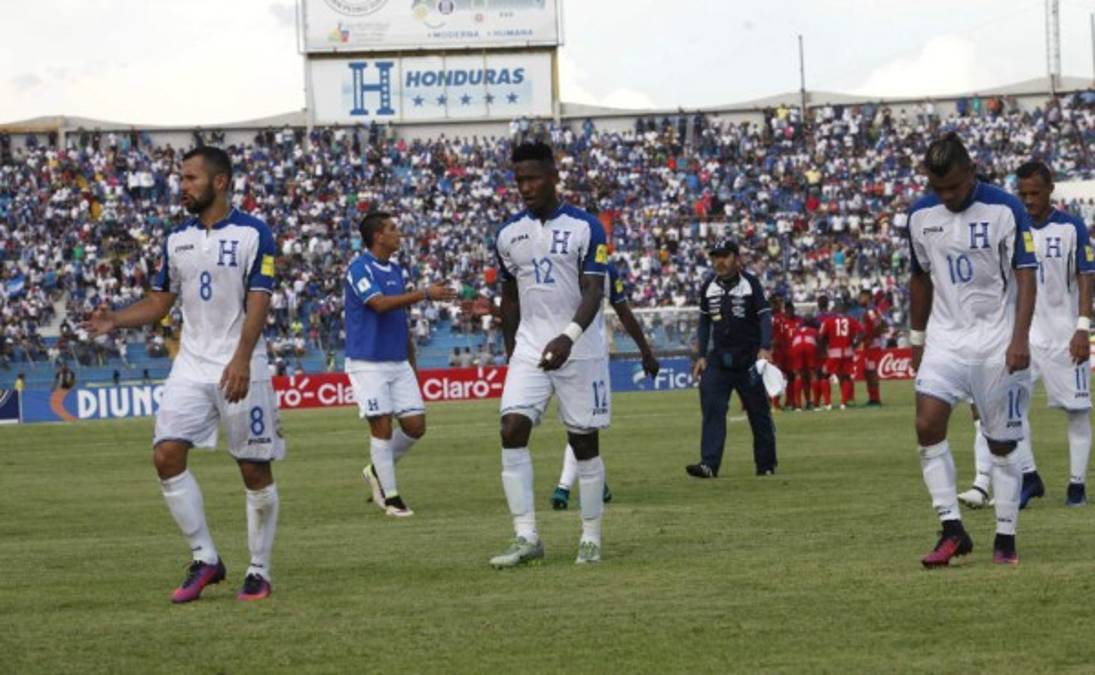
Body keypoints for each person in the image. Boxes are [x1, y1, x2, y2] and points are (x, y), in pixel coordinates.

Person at [83, 146, 283, 602]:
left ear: (220, 182)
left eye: (191, 178)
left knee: (253, 468)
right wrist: (115, 319)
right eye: (182, 177)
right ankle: (206, 557)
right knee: (166, 455)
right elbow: (159, 302)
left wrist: (240, 358)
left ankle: (259, 569)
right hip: (191, 365)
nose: (183, 186)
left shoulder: (255, 233)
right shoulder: (176, 238)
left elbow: (259, 299)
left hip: (241, 363)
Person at [907, 133, 1037, 567]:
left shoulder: (1006, 208)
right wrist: (917, 339)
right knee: (927, 425)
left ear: (972, 173)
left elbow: (1025, 273)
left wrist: (1019, 338)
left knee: (1001, 445)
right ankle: (952, 529)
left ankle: (1006, 538)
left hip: (995, 340)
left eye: (955, 187)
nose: (946, 196)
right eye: (937, 188)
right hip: (946, 338)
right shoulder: (920, 214)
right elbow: (920, 278)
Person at [490, 141, 611, 567]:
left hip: (580, 348)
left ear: (553, 175)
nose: (525, 187)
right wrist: (512, 354)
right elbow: (510, 299)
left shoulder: (586, 227)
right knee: (511, 429)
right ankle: (526, 536)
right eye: (519, 180)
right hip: (529, 348)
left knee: (583, 443)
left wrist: (569, 336)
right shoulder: (507, 234)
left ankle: (591, 537)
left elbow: (595, 289)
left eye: (533, 177)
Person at [958, 160, 1093, 510]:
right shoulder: (1010, 225)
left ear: (1050, 190)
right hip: (1023, 336)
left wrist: (1083, 327)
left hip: (1065, 335)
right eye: (1023, 193)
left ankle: (1076, 485)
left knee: (1077, 412)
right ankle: (1030, 477)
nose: (1029, 200)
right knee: (1009, 407)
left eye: (1035, 193)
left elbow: (1085, 276)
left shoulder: (1072, 227)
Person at [344, 211, 457, 518]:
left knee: (415, 426)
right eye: (393, 229)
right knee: (381, 425)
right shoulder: (358, 268)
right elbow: (378, 305)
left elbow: (399, 317)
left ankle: (376, 470)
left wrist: (411, 358)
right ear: (378, 236)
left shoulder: (395, 269)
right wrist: (424, 293)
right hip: (367, 361)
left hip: (397, 360)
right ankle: (392, 499)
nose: (399, 233)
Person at [550, 262, 660, 510]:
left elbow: (624, 313)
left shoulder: (597, 269)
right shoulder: (566, 264)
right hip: (572, 355)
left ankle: (577, 484)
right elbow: (623, 313)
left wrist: (645, 351)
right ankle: (577, 484)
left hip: (574, 355)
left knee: (581, 426)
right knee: (581, 426)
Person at [687, 238, 777, 478]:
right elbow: (704, 322)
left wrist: (765, 347)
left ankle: (766, 465)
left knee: (759, 413)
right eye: (716, 256)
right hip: (718, 360)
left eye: (725, 256)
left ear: (737, 259)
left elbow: (765, 317)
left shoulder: (751, 284)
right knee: (712, 409)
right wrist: (701, 356)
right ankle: (709, 464)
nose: (720, 261)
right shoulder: (708, 286)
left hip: (748, 358)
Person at [818, 300, 863, 410]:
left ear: (835, 309)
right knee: (846, 376)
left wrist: (823, 349)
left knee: (825, 376)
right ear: (845, 309)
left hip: (834, 352)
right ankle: (844, 403)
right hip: (848, 351)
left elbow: (821, 336)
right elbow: (862, 332)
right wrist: (855, 344)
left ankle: (828, 403)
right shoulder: (851, 320)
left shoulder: (828, 321)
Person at [858, 289, 886, 406]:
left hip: (872, 345)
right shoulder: (869, 310)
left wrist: (872, 337)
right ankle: (872, 398)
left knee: (872, 372)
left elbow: (879, 324)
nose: (859, 300)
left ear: (867, 297)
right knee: (868, 371)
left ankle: (875, 399)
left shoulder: (870, 310)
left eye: (861, 297)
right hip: (870, 345)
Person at [788, 316, 819, 410]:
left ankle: (798, 405)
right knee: (813, 374)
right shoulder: (814, 331)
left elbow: (791, 342)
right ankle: (815, 404)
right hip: (810, 346)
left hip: (797, 347)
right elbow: (819, 342)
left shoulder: (796, 330)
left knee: (798, 375)